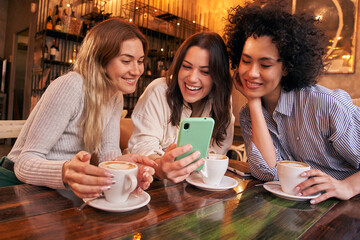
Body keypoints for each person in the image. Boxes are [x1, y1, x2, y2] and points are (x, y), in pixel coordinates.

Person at [1, 18, 155, 199]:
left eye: (140, 61)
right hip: (13, 186)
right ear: (100, 60)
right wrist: (66, 171)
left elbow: (108, 153)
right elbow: (24, 164)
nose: (137, 71)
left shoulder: (115, 96)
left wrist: (123, 165)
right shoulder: (72, 86)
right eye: (126, 61)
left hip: (58, 191)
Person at [224, 2, 360, 204]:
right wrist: (252, 101)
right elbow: (268, 172)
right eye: (246, 60)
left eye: (265, 64)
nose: (251, 73)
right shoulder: (248, 113)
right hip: (296, 213)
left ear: (286, 67)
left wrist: (348, 186)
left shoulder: (326, 105)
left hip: (345, 209)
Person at [128, 32, 235, 183]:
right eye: (186, 67)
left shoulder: (222, 101)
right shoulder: (158, 91)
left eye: (205, 72)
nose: (192, 78)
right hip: (153, 185)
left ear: (218, 76)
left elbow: (218, 150)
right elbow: (143, 146)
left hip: (198, 188)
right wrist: (160, 166)